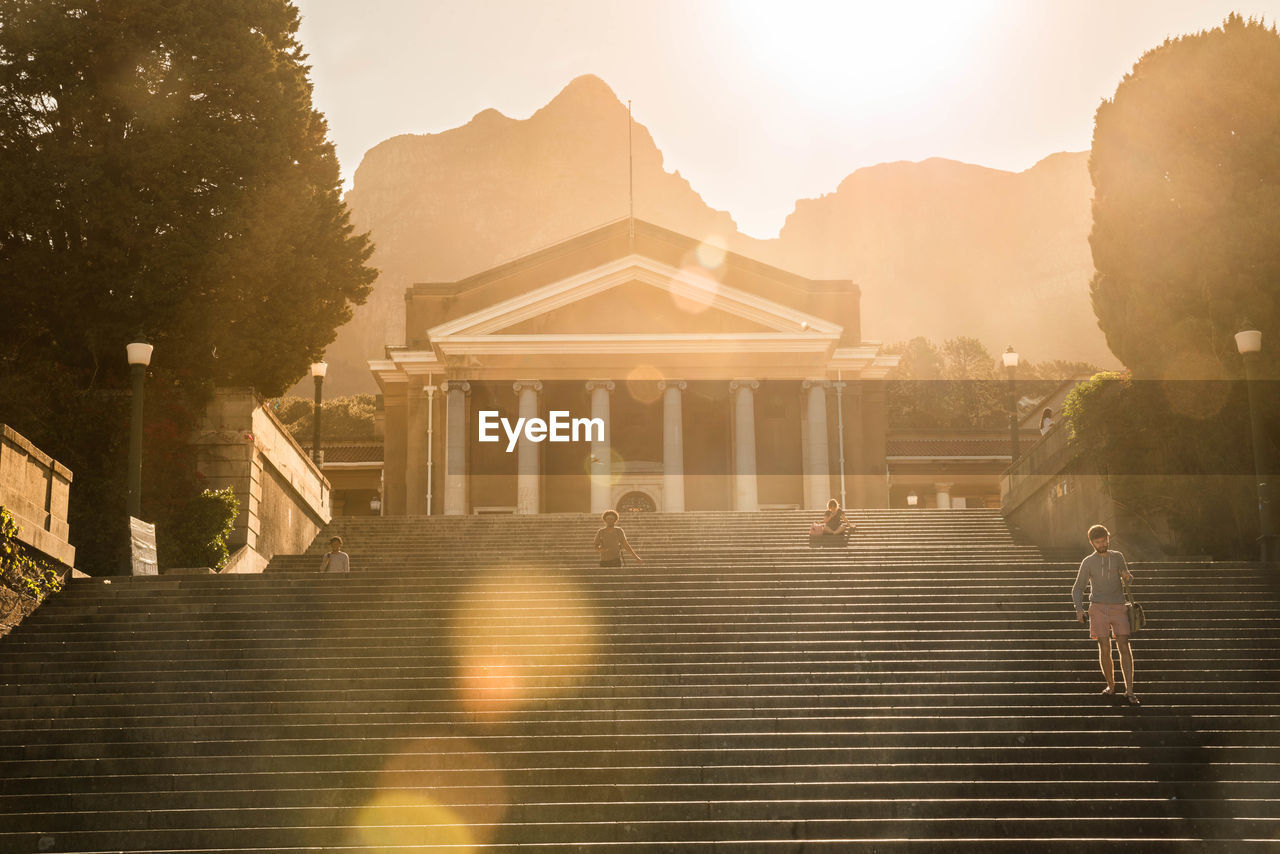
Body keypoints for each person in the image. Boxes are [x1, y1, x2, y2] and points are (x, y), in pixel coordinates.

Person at [1072, 524, 1138, 704]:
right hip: (1098, 608)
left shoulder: (1118, 557)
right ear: (1092, 542)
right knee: (1105, 648)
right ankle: (1111, 685)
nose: (1102, 544)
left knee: (1124, 647)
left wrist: (1127, 576)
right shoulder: (1088, 562)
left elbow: (1129, 578)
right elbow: (1077, 588)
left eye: (1104, 540)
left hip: (1118, 607)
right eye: (1098, 542)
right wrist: (1079, 609)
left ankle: (1130, 690)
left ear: (1108, 538)